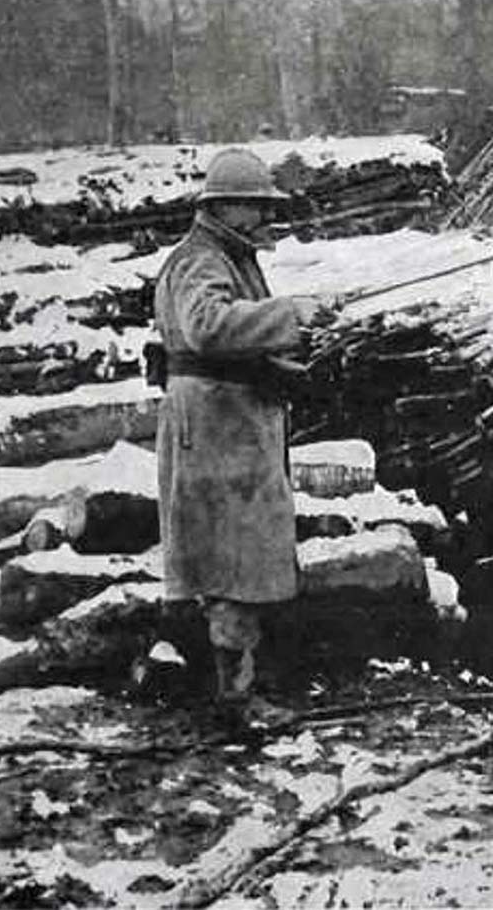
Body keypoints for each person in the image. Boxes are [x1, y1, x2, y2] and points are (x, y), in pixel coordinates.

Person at [153, 147, 331, 716]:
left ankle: (234, 684)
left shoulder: (229, 254)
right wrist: (290, 313)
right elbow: (205, 330)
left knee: (234, 557)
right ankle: (236, 699)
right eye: (255, 206)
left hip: (228, 420)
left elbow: (229, 342)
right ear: (225, 205)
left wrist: (286, 368)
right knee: (230, 562)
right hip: (214, 426)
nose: (265, 217)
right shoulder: (202, 258)